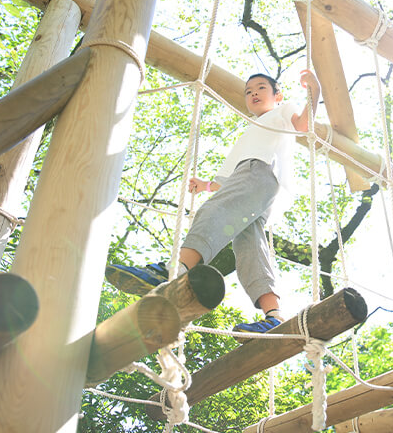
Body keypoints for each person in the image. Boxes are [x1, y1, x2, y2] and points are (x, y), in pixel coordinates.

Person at [106, 70, 321, 334]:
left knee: (214, 210)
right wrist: (206, 186)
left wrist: (314, 92)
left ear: (278, 95)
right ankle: (274, 315)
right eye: (248, 91)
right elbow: (229, 184)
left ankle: (173, 271)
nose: (253, 93)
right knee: (250, 245)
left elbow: (303, 125)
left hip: (261, 172)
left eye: (261, 88)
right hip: (253, 182)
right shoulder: (251, 132)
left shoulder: (282, 112)